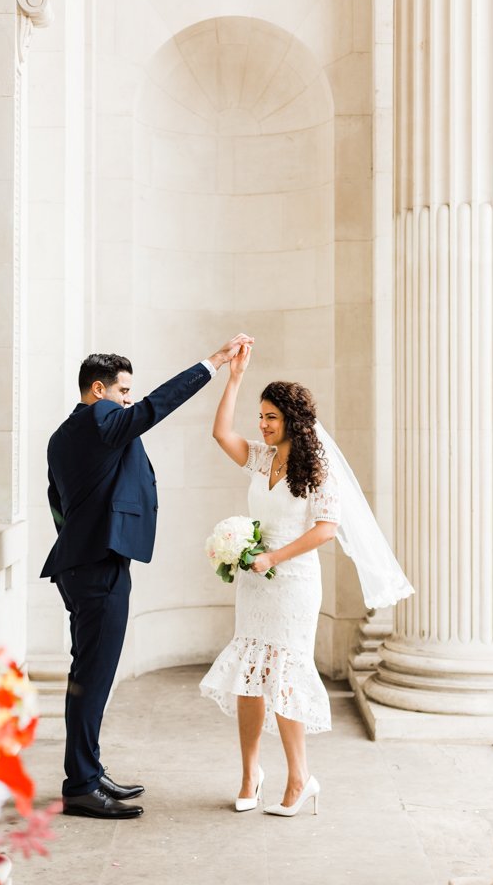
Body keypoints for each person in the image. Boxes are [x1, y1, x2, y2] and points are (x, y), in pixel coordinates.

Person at [42, 334, 254, 819]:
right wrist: (213, 363)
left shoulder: (62, 436)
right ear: (98, 390)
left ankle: (88, 773)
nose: (128, 403)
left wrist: (81, 538)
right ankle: (80, 785)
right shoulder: (101, 419)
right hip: (97, 567)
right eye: (123, 393)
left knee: (87, 675)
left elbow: (57, 500)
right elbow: (154, 409)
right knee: (92, 679)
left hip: (81, 563)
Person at [200, 345, 413, 818]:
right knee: (250, 675)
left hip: (292, 581)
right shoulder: (262, 459)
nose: (263, 425)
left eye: (271, 417)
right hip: (255, 582)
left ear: (293, 419)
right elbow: (220, 433)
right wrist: (234, 378)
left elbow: (326, 529)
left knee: (284, 675)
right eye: (260, 416)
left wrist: (273, 555)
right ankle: (250, 773)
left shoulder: (318, 471)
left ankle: (300, 777)